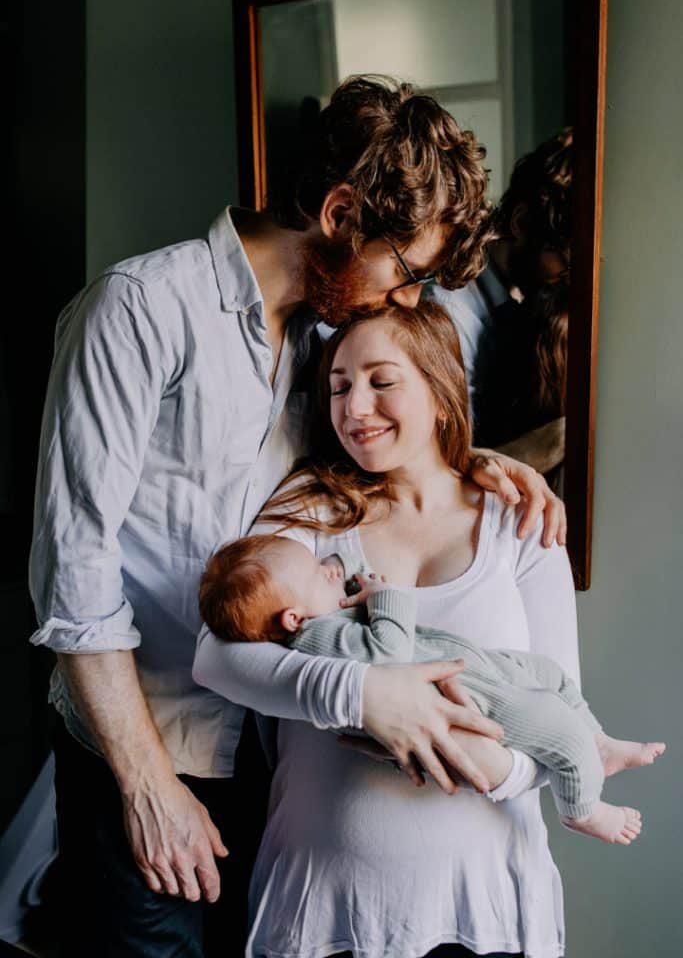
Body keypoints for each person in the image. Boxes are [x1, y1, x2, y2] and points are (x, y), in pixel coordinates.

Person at [27, 76, 565, 958]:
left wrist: (478, 465)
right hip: (147, 758)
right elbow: (73, 577)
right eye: (404, 273)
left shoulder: (322, 346)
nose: (401, 302)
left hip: (273, 755)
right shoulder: (138, 309)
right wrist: (149, 788)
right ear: (341, 211)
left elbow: (366, 461)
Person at [193, 300, 653, 958]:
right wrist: (367, 699)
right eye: (338, 387)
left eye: (381, 382)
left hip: (485, 900)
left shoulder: (516, 524)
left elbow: (560, 709)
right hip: (325, 900)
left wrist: (489, 766)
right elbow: (217, 659)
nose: (354, 408)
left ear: (440, 392)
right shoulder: (309, 516)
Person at [198, 532, 664, 843]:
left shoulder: (326, 610)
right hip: (473, 699)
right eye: (317, 572)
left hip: (475, 669)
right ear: (292, 619)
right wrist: (386, 596)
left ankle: (599, 743)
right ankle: (581, 808)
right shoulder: (318, 637)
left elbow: (345, 569)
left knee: (549, 674)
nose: (329, 570)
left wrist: (344, 567)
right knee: (559, 732)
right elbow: (390, 654)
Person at [427, 128, 572, 474]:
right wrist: (558, 441)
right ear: (521, 222)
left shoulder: (520, 300)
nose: (570, 282)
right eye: (565, 263)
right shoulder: (449, 313)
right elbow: (440, 471)